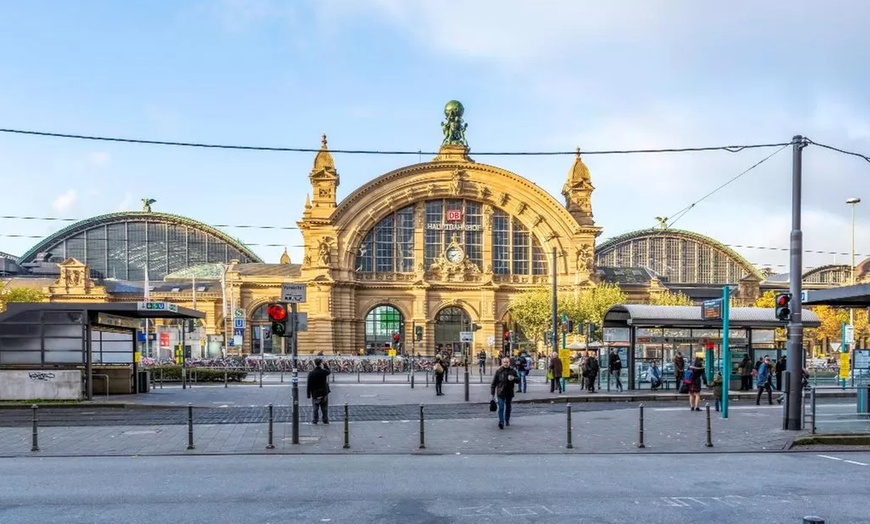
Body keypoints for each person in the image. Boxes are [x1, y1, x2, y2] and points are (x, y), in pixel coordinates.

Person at [491, 357, 518, 429]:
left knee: (508, 407)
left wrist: (514, 378)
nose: (506, 363)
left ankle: (507, 419)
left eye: (507, 362)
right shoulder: (499, 371)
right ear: (502, 363)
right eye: (504, 362)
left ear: (509, 363)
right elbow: (494, 383)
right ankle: (501, 422)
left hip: (509, 392)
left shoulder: (512, 371)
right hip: (500, 392)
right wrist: (492, 393)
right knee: (501, 407)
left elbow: (518, 380)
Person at [306, 357, 331, 424]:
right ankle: (325, 420)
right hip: (323, 392)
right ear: (320, 364)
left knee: (315, 408)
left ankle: (315, 420)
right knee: (324, 408)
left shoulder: (311, 373)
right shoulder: (323, 372)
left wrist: (308, 394)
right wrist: (325, 365)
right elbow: (329, 371)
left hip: (315, 393)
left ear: (314, 364)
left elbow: (309, 385)